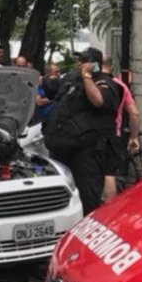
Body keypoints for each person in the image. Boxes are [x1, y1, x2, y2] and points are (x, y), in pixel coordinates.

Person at [42, 47, 122, 215]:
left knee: (87, 197)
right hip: (62, 149)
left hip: (88, 153)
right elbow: (52, 89)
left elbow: (98, 101)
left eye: (84, 61)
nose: (79, 64)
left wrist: (87, 76)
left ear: (94, 64)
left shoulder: (105, 82)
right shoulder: (71, 79)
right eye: (79, 61)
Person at [100, 59, 140, 202]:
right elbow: (134, 113)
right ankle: (109, 206)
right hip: (114, 134)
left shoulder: (91, 82)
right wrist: (134, 137)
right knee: (109, 172)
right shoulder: (121, 85)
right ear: (111, 66)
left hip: (92, 134)